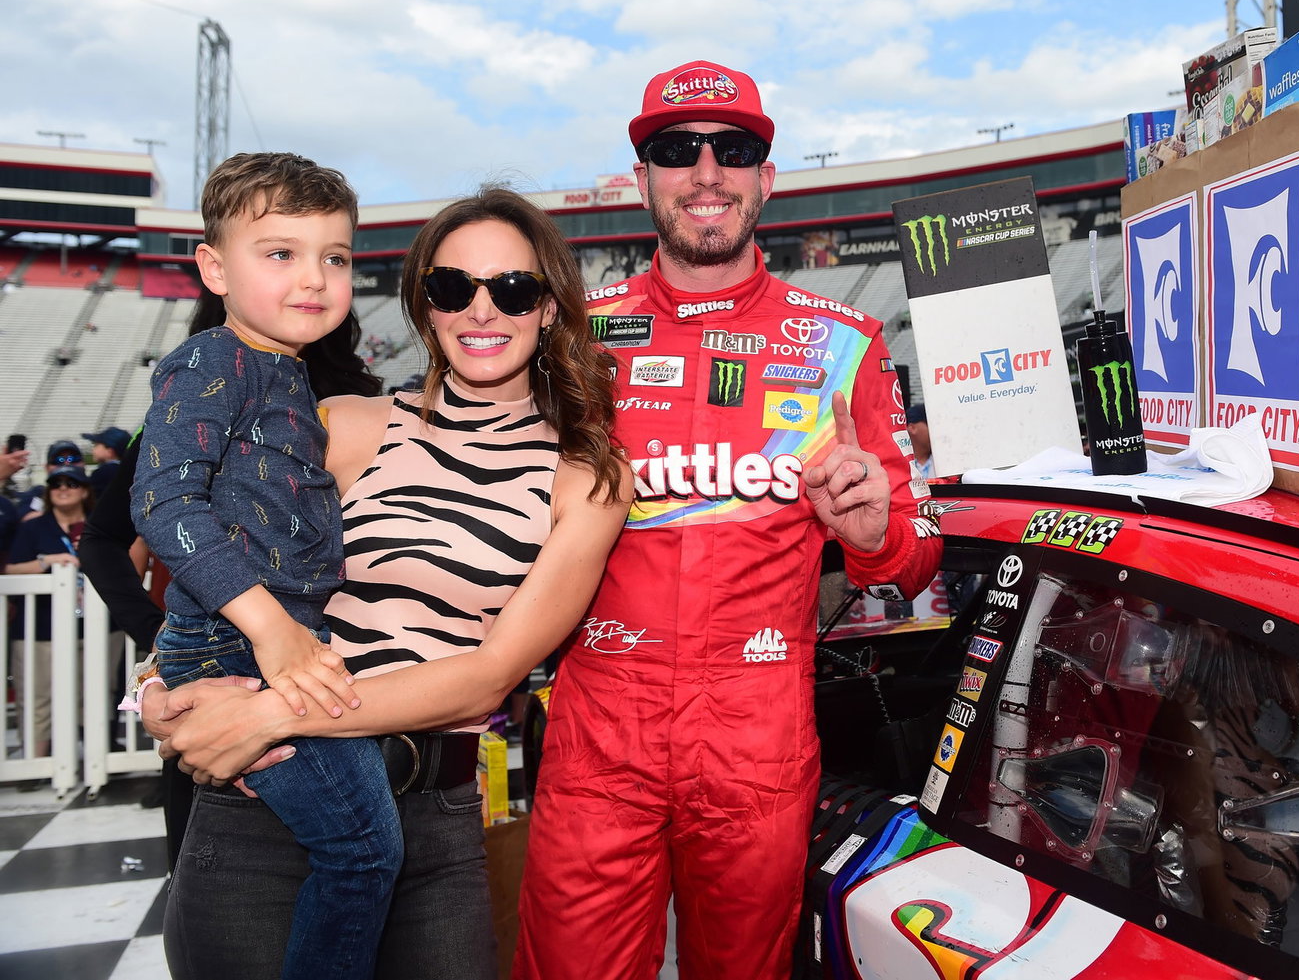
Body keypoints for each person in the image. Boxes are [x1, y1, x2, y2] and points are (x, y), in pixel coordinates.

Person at [515, 60, 943, 980]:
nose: (706, 170)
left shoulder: (844, 344)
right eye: (676, 150)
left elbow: (912, 560)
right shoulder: (576, 343)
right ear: (644, 181)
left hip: (759, 737)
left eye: (733, 149)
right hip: (599, 730)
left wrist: (872, 535)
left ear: (765, 178)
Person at [146, 186, 629, 980]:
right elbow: (203, 549)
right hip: (268, 802)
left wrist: (272, 710)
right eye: (451, 287)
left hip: (431, 819)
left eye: (512, 289)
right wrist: (161, 679)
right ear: (423, 304)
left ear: (549, 308)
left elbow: (490, 672)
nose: (481, 311)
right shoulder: (343, 422)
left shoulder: (587, 475)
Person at [132, 150, 398, 980]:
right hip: (241, 643)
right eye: (280, 253)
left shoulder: (283, 373)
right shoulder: (213, 361)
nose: (315, 277)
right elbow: (165, 508)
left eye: (337, 256)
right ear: (213, 266)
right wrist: (274, 631)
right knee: (363, 850)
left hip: (258, 638)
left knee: (353, 846)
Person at [4, 463, 92, 758]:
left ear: (84, 491)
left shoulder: (96, 526)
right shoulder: (32, 527)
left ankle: (89, 761)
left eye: (71, 483)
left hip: (90, 628)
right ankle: (37, 761)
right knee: (36, 696)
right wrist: (47, 562)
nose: (63, 489)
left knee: (89, 696)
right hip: (39, 627)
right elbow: (12, 569)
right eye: (56, 484)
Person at [14, 439, 84, 517]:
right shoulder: (37, 495)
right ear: (46, 467)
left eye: (73, 459)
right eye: (58, 460)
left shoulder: (95, 493)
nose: (66, 464)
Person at [82, 425, 131, 498]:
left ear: (109, 451)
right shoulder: (129, 470)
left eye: (96, 445)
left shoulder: (103, 472)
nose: (93, 449)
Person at [906, 402, 936, 479]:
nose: (936, 431)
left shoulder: (948, 464)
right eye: (930, 424)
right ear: (912, 428)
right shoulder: (897, 465)